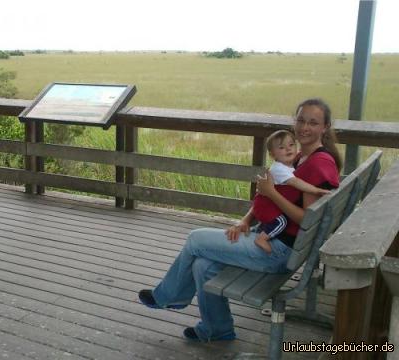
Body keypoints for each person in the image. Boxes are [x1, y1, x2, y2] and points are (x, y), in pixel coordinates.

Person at [138, 98, 341, 342]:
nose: (305, 127)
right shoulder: (297, 157)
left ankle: (168, 296)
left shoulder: (317, 165)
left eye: (313, 122)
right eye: (301, 120)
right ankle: (217, 330)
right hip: (273, 240)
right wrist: (244, 220)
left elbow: (307, 220)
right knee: (202, 266)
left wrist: (271, 192)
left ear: (325, 127)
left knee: (195, 240)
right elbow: (266, 200)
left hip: (279, 251)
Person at [253, 129, 330, 254]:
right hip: (266, 205)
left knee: (279, 221)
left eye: (291, 145)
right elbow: (296, 183)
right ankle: (262, 239)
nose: (288, 149)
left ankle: (262, 233)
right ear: (273, 154)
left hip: (269, 204)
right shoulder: (278, 169)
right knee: (281, 222)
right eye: (282, 147)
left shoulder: (288, 165)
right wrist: (316, 190)